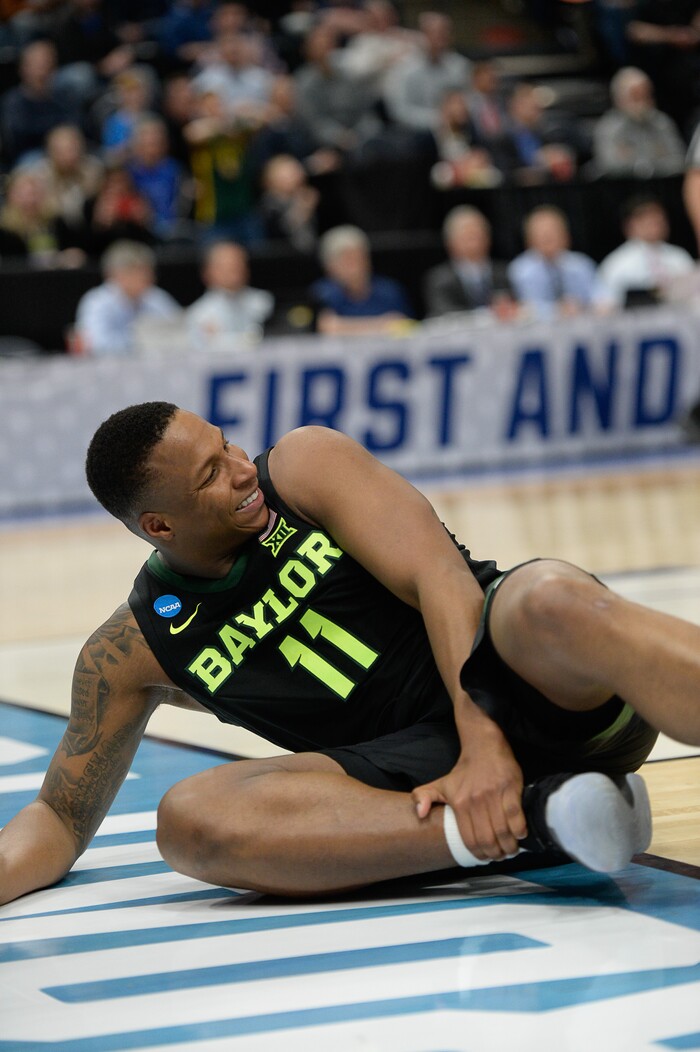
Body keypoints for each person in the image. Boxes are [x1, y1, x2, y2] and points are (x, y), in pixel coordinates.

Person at [7, 397, 700, 909]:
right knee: (189, 821)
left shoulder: (307, 465)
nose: (243, 470)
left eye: (229, 446)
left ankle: (519, 806)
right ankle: (543, 821)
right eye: (212, 474)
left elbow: (441, 577)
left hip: (518, 677)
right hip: (424, 779)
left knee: (550, 601)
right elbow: (61, 818)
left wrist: (483, 746)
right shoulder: (134, 649)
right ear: (159, 525)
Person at [73, 240, 181, 355]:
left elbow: (179, 332)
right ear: (117, 274)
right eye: (137, 272)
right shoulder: (96, 302)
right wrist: (140, 340)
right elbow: (97, 344)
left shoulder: (157, 297)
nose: (148, 277)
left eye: (148, 271)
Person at [310, 224, 414, 335]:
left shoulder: (389, 290)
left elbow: (407, 325)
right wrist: (382, 325)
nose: (355, 267)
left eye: (359, 258)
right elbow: (328, 327)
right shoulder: (322, 293)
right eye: (347, 260)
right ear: (330, 266)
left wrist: (346, 327)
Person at [596, 194, 695, 309]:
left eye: (658, 219)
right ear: (629, 226)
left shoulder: (679, 256)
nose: (655, 224)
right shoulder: (616, 264)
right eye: (646, 219)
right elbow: (605, 305)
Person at [507, 205, 604, 319]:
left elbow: (601, 294)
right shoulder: (521, 270)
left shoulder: (581, 264)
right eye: (542, 234)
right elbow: (528, 308)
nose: (548, 238)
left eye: (553, 233)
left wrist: (600, 303)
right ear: (529, 240)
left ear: (566, 236)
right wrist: (558, 310)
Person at [423, 205, 517, 320]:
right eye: (467, 237)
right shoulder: (439, 279)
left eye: (477, 235)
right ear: (450, 243)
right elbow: (444, 313)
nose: (474, 243)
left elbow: (516, 307)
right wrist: (485, 315)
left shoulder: (504, 272)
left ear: (488, 238)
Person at [591, 67, 686, 178]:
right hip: (621, 189)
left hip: (662, 187)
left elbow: (680, 160)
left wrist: (648, 167)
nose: (643, 102)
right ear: (620, 99)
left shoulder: (662, 123)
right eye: (636, 96)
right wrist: (646, 164)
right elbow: (607, 164)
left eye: (646, 95)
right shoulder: (608, 127)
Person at [383, 11, 471, 131]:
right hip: (416, 134)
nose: (440, 37)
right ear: (422, 34)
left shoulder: (460, 66)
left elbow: (471, 100)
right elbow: (398, 111)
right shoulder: (403, 68)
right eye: (433, 32)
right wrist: (438, 119)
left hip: (457, 130)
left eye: (444, 31)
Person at [185, 239, 274, 350]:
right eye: (227, 266)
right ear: (207, 272)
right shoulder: (199, 313)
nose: (234, 271)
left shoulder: (264, 301)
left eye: (238, 264)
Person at [259, 153, 319, 252]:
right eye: (290, 174)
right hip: (283, 254)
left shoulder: (304, 196)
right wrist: (302, 210)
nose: (297, 176)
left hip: (310, 250)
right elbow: (279, 233)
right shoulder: (269, 205)